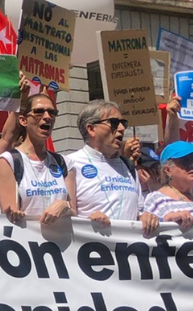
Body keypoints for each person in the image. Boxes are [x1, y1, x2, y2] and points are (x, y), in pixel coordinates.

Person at [64, 100, 158, 235]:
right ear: (91, 129)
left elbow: (139, 211)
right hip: (90, 250)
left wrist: (145, 217)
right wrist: (86, 221)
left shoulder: (129, 167)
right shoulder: (70, 163)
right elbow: (63, 216)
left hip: (127, 252)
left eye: (123, 123)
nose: (121, 128)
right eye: (114, 123)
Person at [0, 92, 76, 224]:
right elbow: (9, 212)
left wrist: (64, 205)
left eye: (52, 112)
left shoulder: (65, 163)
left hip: (62, 242)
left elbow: (74, 211)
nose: (47, 117)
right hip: (28, 241)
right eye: (39, 112)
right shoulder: (8, 161)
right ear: (23, 120)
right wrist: (15, 213)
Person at [142, 141, 193, 231]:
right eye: (186, 161)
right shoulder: (157, 200)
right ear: (168, 170)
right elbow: (149, 231)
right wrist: (166, 220)